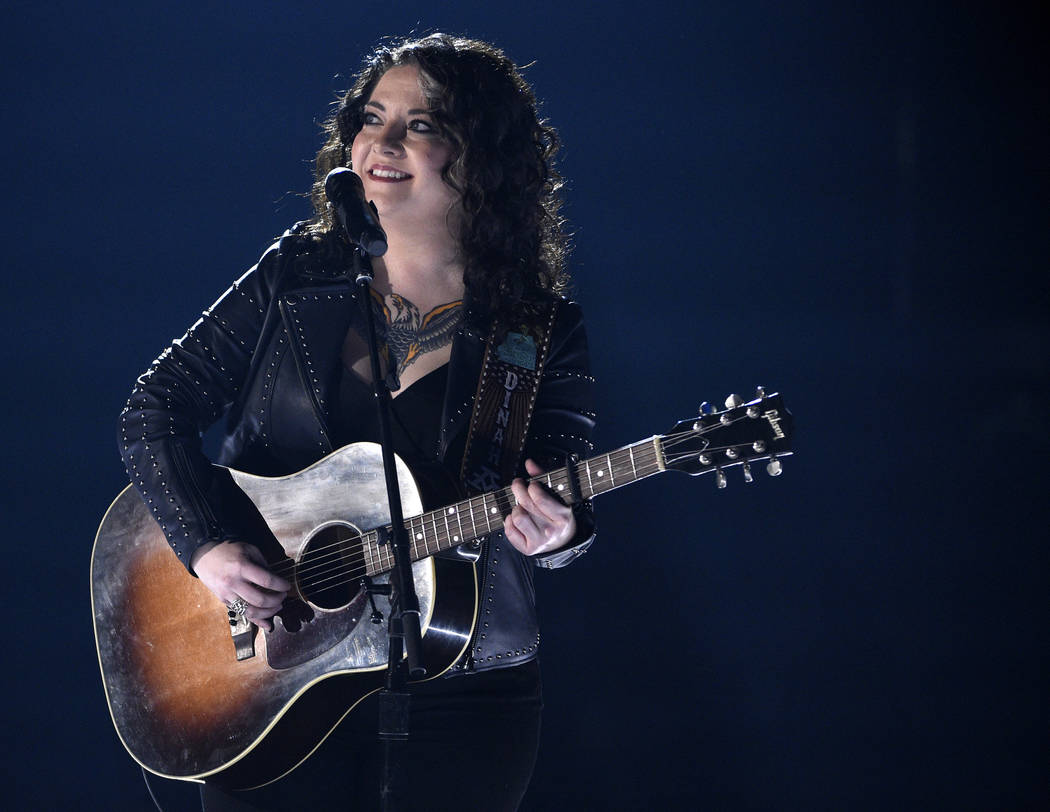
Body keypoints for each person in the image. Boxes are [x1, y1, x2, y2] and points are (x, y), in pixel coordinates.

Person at [119, 33, 596, 811]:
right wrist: (206, 544)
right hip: (270, 677)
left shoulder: (540, 329)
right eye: (372, 118)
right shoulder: (295, 274)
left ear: (482, 157)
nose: (381, 142)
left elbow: (565, 493)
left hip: (461, 687)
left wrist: (562, 533)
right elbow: (152, 411)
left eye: (421, 123)